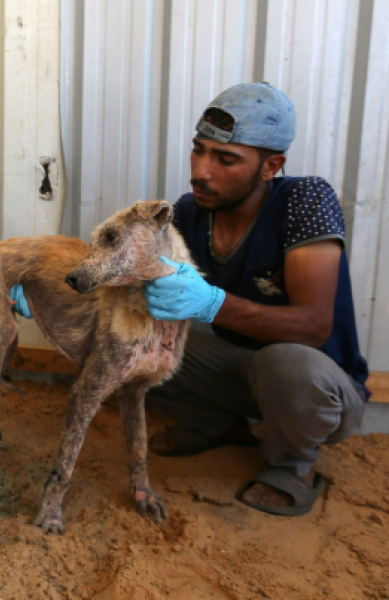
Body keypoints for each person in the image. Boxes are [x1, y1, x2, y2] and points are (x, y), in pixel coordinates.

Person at [141, 82, 369, 516]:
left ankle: (293, 467)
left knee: (285, 362)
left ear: (271, 166)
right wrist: (61, 288)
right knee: (132, 339)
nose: (201, 170)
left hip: (316, 386)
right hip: (235, 369)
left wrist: (211, 304)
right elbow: (140, 283)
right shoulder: (190, 211)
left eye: (225, 159)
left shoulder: (305, 201)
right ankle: (222, 425)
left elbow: (313, 327)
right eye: (198, 150)